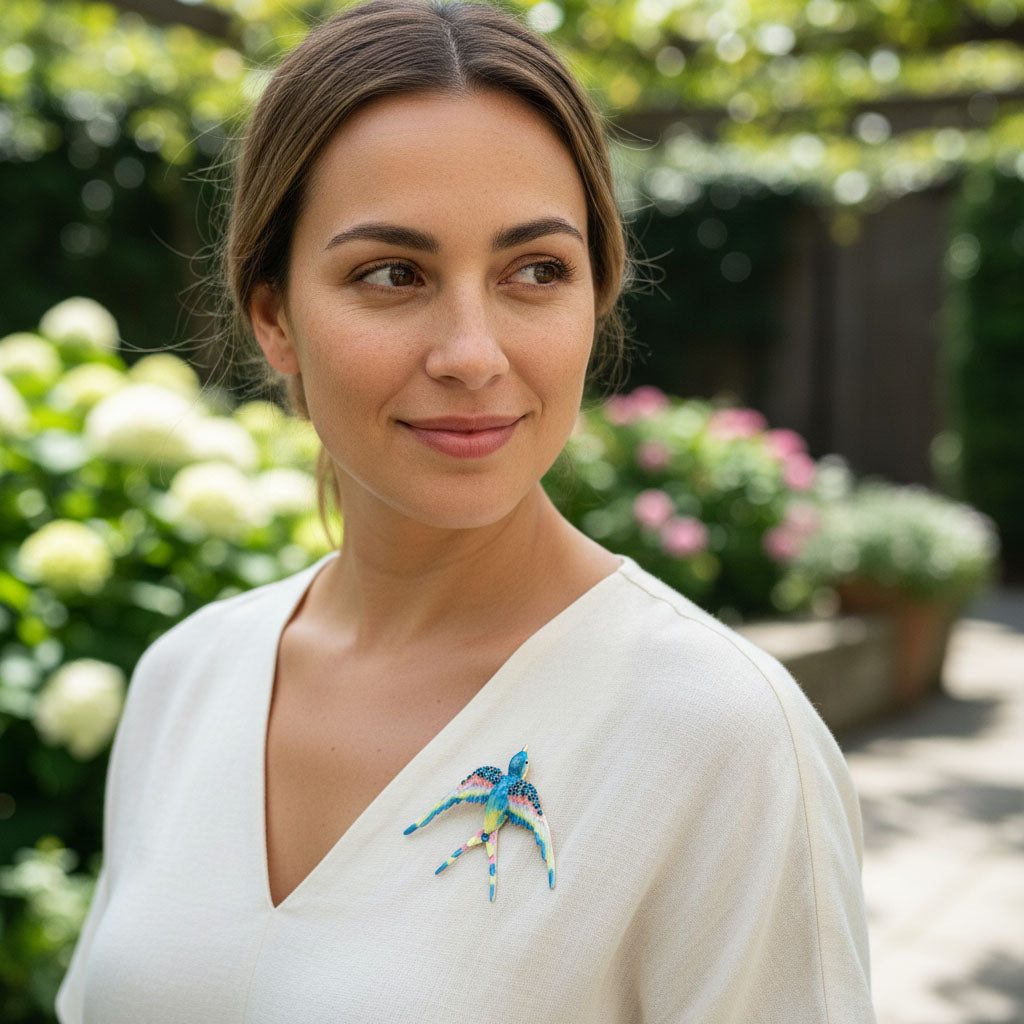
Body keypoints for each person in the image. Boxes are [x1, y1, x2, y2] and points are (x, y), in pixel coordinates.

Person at [56, 1, 876, 1020]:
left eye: (535, 271)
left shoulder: (723, 738)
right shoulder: (187, 677)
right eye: (391, 274)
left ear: (595, 298)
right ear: (274, 316)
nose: (472, 354)